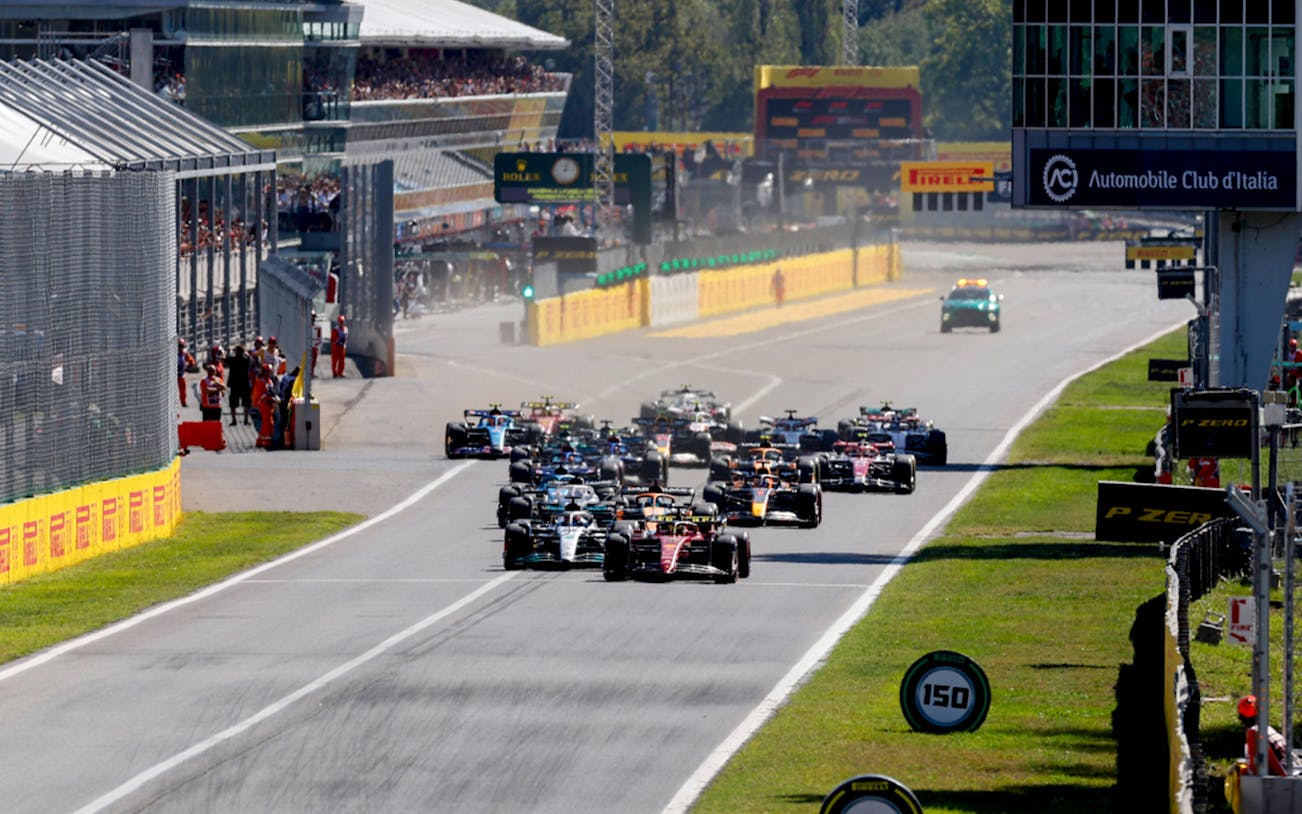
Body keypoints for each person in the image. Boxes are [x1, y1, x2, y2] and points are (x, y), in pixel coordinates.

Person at [1238, 695, 1291, 776]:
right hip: (1291, 769)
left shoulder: (1253, 733)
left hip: (1281, 776)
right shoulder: (1267, 729)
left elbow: (1254, 767)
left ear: (1241, 717)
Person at [225, 344, 253, 426]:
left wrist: (229, 351)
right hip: (245, 384)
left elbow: (226, 360)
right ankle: (246, 420)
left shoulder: (232, 360)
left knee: (233, 404)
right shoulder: (246, 360)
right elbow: (249, 357)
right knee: (246, 403)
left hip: (234, 384)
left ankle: (234, 420)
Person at [176, 338, 195, 407]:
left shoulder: (184, 354)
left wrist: (188, 364)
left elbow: (192, 361)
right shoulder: (173, 354)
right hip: (173, 376)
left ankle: (183, 402)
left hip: (181, 374)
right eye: (179, 346)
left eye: (181, 346)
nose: (180, 348)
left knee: (183, 390)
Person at [330, 314, 348, 378]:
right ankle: (334, 373)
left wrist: (343, 342)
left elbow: (346, 338)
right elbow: (333, 339)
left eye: (342, 322)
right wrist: (338, 340)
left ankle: (340, 373)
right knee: (334, 360)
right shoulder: (335, 330)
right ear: (338, 322)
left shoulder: (346, 329)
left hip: (342, 347)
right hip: (336, 347)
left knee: (342, 361)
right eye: (340, 322)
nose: (341, 323)